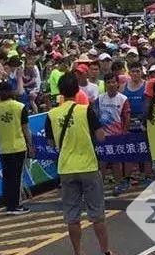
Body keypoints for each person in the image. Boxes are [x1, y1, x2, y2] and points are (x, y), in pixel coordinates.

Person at [45, 72, 114, 255]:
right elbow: (101, 136)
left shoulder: (51, 115)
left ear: (60, 91)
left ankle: (78, 252)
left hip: (66, 168)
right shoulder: (86, 110)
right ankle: (105, 251)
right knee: (97, 214)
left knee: (72, 216)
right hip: (88, 166)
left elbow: (51, 143)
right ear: (77, 90)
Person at [0, 80, 34, 214]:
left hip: (3, 148)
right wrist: (30, 145)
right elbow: (26, 129)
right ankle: (16, 205)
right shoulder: (20, 107)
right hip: (18, 147)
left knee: (7, 177)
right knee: (17, 178)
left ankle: (9, 205)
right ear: (12, 92)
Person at [96, 72, 130, 194]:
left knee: (117, 162)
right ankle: (99, 187)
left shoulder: (123, 99)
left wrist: (124, 133)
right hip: (103, 136)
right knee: (102, 162)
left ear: (117, 84)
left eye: (113, 82)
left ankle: (118, 184)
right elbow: (95, 116)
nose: (111, 84)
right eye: (108, 82)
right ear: (105, 84)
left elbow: (126, 118)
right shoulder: (99, 99)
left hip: (117, 136)